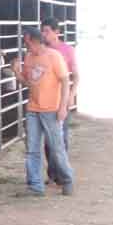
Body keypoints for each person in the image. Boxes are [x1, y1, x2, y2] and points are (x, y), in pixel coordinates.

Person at [11, 27, 74, 196]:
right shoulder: (29, 57)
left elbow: (65, 81)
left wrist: (62, 107)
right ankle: (35, 186)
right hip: (33, 108)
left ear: (33, 40)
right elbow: (28, 82)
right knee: (32, 148)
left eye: (27, 42)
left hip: (51, 109)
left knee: (56, 147)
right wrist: (17, 72)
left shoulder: (54, 56)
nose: (25, 46)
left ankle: (67, 179)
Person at [40, 16, 79, 182]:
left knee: (61, 138)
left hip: (61, 99)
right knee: (49, 140)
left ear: (57, 32)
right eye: (42, 31)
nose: (44, 34)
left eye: (47, 31)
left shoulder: (67, 50)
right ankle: (53, 173)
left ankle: (61, 174)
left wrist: (71, 95)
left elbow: (76, 76)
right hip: (47, 100)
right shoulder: (41, 51)